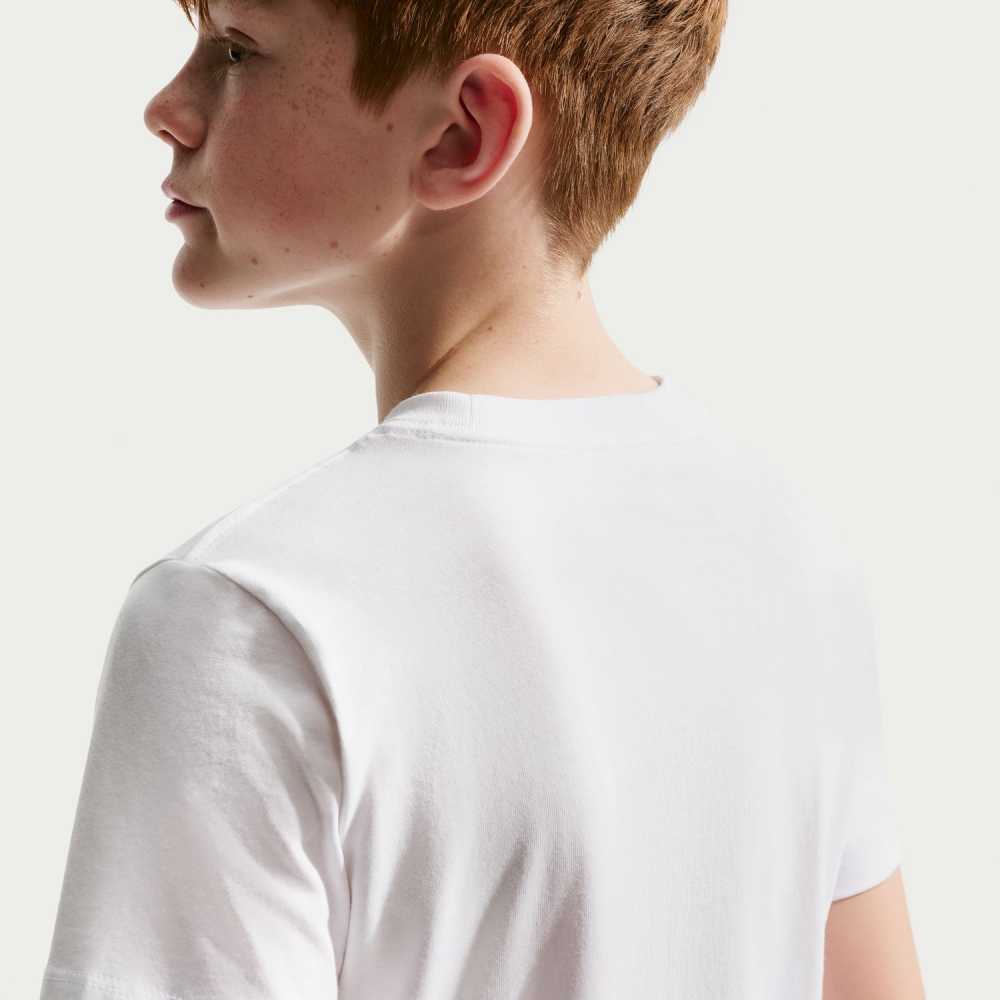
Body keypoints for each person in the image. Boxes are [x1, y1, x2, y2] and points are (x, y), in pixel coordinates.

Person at [40, 1, 925, 997]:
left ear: (464, 134)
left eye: (238, 49)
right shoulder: (789, 553)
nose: (168, 107)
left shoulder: (253, 616)